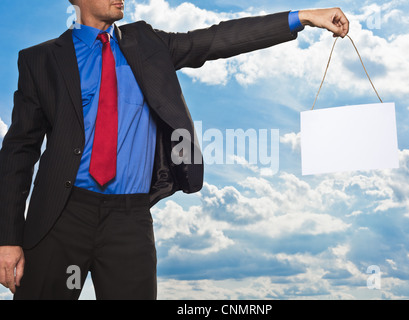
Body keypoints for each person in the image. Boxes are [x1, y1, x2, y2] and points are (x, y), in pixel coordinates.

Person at [0, 0, 349, 300]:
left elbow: (216, 39)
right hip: (61, 215)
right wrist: (8, 240)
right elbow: (18, 151)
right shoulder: (40, 61)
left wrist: (303, 16)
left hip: (129, 220)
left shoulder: (148, 44)